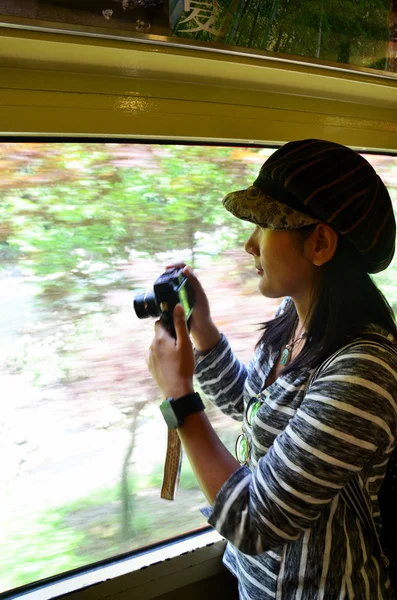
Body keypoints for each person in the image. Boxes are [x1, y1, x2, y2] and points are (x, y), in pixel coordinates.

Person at [148, 139, 397, 599]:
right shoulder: (295, 321)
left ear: (319, 243)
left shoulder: (363, 371)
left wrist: (180, 397)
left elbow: (255, 520)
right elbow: (257, 410)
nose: (249, 245)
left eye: (263, 225)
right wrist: (203, 332)